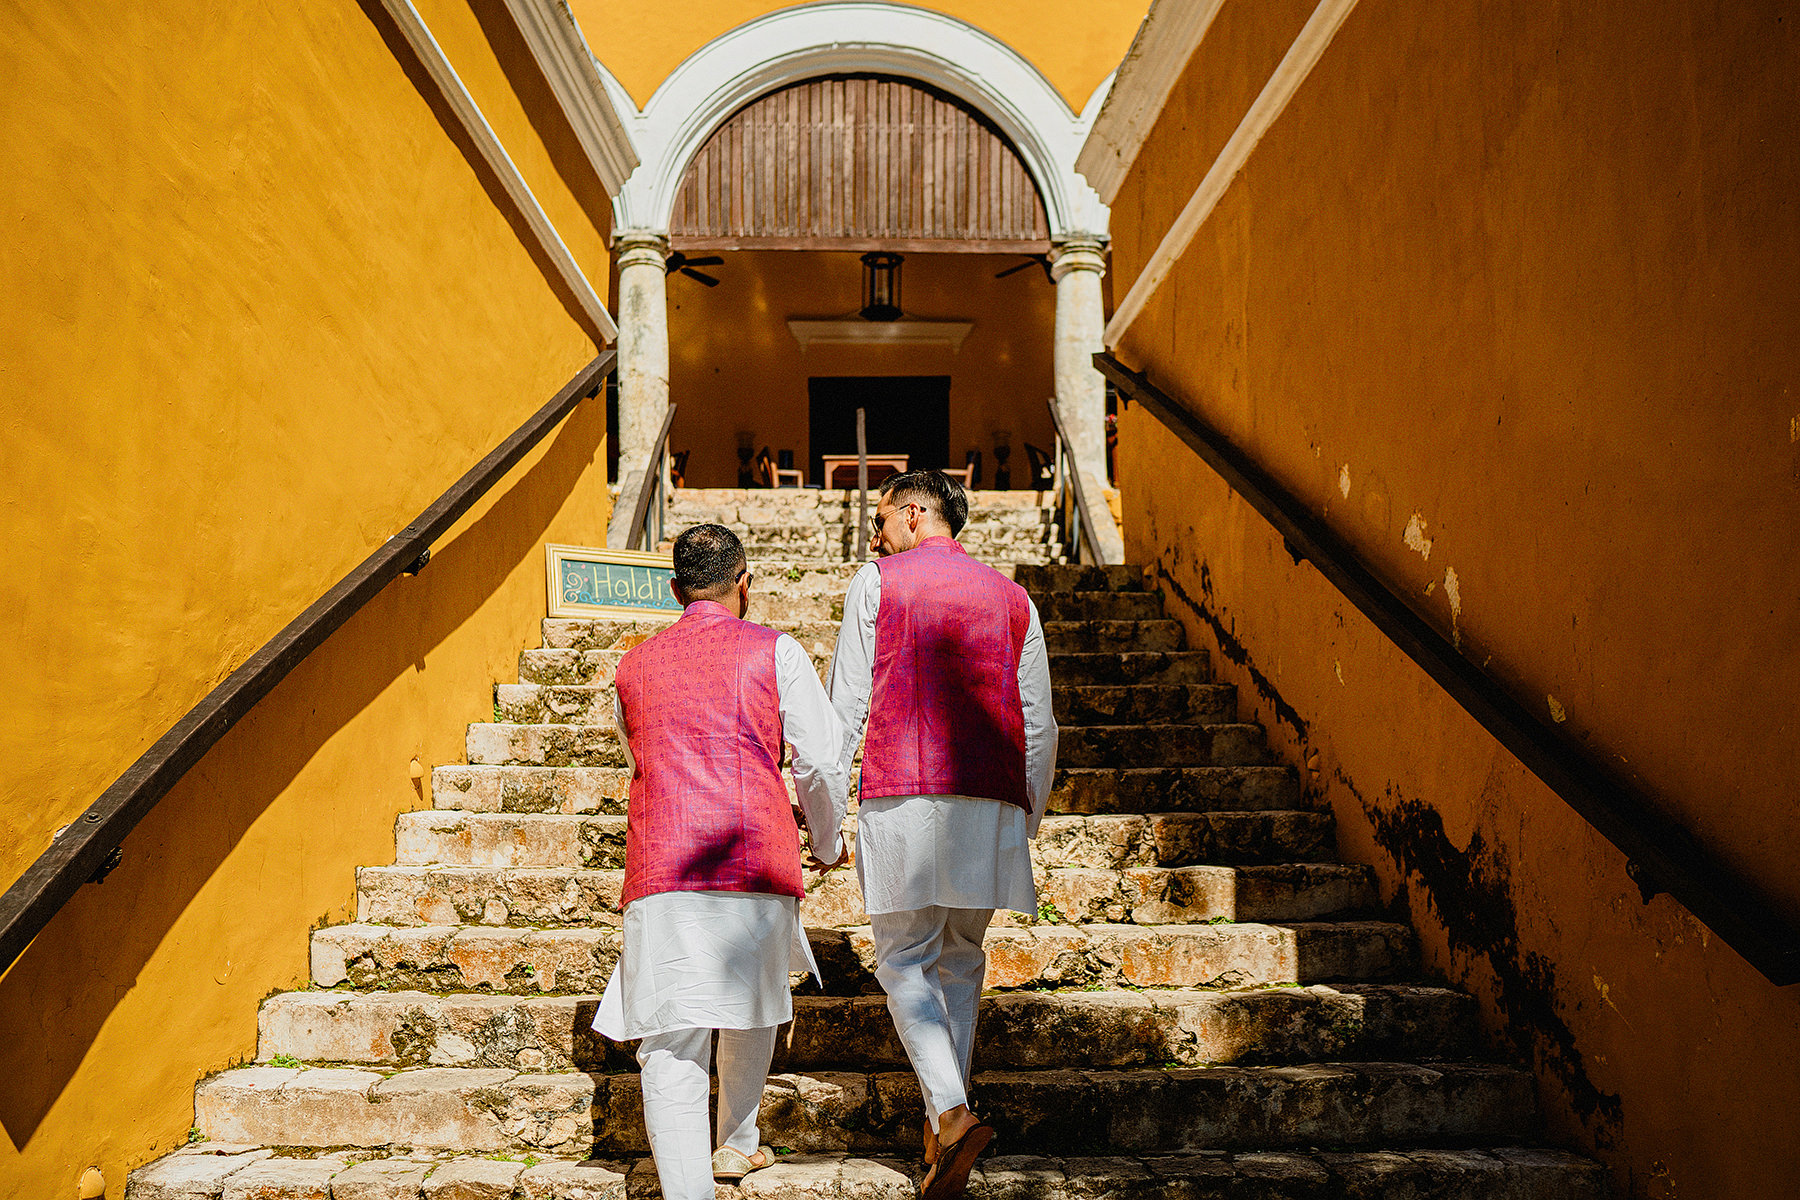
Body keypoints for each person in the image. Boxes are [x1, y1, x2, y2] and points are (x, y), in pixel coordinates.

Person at [593, 523, 850, 1198]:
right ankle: (736, 1142)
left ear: (675, 589)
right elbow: (819, 760)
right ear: (746, 581)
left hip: (665, 862)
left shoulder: (632, 666)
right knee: (754, 1001)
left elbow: (638, 753)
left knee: (673, 1045)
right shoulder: (778, 652)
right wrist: (827, 840)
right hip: (757, 855)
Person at [828, 470, 1058, 1200]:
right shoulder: (1015, 599)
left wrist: (827, 808)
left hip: (903, 794)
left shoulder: (878, 583)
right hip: (989, 800)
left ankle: (952, 1114)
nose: (875, 533)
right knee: (959, 959)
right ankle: (938, 1143)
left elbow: (847, 705)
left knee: (901, 961)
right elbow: (1042, 724)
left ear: (917, 512)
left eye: (883, 518)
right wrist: (1028, 812)